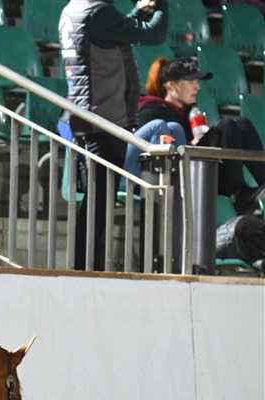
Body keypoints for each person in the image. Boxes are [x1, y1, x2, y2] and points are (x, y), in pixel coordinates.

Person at [59, 0, 169, 270]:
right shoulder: (98, 12)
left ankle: (85, 267)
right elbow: (154, 34)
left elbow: (107, 34)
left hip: (87, 116)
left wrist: (137, 13)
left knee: (97, 201)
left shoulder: (74, 9)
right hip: (105, 121)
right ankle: (86, 269)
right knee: (99, 203)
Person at [134, 56, 265, 214]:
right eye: (191, 82)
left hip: (200, 169)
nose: (197, 87)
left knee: (242, 123)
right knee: (227, 126)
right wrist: (191, 144)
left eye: (197, 82)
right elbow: (155, 152)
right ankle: (238, 193)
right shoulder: (152, 110)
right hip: (176, 176)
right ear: (171, 85)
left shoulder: (188, 112)